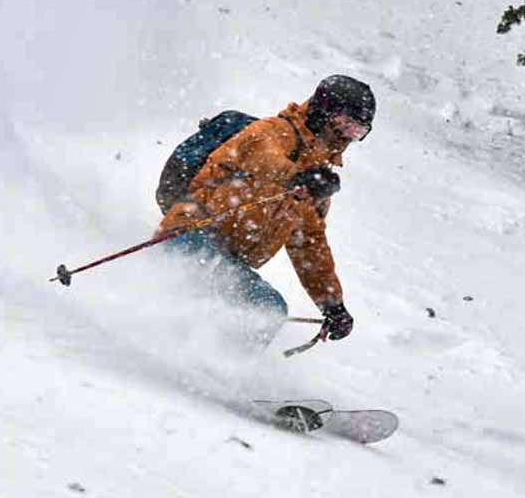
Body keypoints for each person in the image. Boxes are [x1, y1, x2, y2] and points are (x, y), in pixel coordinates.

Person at [157, 75, 375, 350]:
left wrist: (332, 305)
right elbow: (265, 159)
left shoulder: (315, 176)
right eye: (344, 125)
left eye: (357, 132)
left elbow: (308, 244)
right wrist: (299, 177)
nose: (346, 137)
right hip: (189, 237)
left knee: (265, 310)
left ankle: (208, 360)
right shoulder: (272, 132)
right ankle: (207, 363)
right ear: (322, 112)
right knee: (266, 308)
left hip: (226, 259)